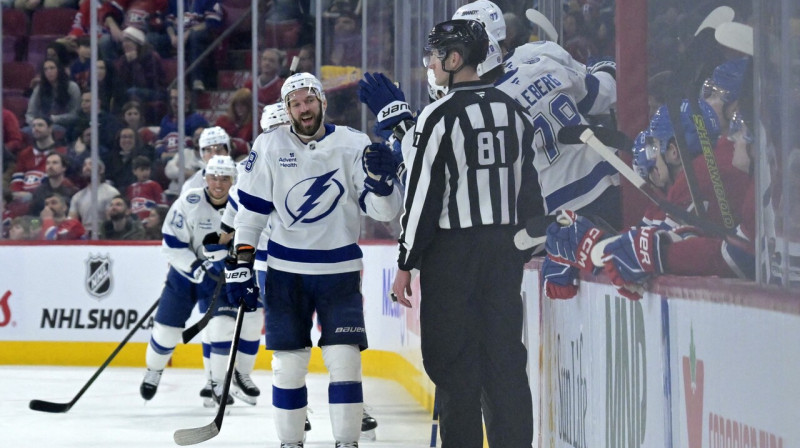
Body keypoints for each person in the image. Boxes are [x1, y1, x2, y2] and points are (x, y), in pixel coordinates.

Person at [226, 72, 402, 448]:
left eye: (308, 100)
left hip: (339, 273)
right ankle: (291, 444)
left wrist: (384, 185)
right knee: (287, 368)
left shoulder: (353, 143)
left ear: (322, 101)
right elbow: (250, 215)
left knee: (345, 363)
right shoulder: (269, 145)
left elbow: (385, 213)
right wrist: (242, 264)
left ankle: (347, 443)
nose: (303, 108)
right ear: (286, 110)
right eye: (294, 103)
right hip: (286, 274)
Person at [388, 19, 540, 448]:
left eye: (435, 57)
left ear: (455, 59)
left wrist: (405, 262)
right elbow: (529, 185)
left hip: (453, 259)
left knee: (455, 369)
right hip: (504, 253)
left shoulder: (438, 116)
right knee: (505, 365)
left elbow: (422, 199)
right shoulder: (512, 110)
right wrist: (528, 242)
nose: (430, 65)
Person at [139, 155, 237, 405]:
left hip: (220, 279)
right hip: (184, 277)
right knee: (166, 333)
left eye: (225, 178)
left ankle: (218, 383)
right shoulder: (189, 201)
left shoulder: (241, 208)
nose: (218, 183)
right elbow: (171, 243)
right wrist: (195, 267)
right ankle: (154, 369)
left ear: (232, 180)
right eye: (214, 177)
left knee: (222, 326)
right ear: (205, 177)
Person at [10, 116, 67, 212]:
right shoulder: (25, 153)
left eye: (40, 125)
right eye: (33, 126)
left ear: (50, 129)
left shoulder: (60, 152)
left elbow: (52, 178)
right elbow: (18, 177)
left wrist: (33, 195)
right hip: (21, 197)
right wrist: (16, 192)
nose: (35, 128)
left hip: (43, 198)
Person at [68, 159, 121, 237]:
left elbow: (111, 221)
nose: (87, 167)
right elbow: (71, 222)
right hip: (84, 238)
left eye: (91, 164)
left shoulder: (111, 192)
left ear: (101, 170)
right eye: (85, 165)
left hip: (104, 236)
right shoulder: (77, 197)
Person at [24, 59, 81, 132]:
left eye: (52, 68)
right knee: (23, 132)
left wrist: (54, 119)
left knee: (52, 130)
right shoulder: (39, 88)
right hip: (39, 124)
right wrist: (35, 123)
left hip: (62, 125)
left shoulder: (72, 87)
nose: (49, 71)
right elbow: (30, 113)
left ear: (59, 69)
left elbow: (75, 114)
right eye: (45, 69)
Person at [28, 152, 78, 217]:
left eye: (55, 163)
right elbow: (33, 215)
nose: (50, 166)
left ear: (64, 168)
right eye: (48, 163)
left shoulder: (72, 191)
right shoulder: (39, 191)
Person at [214, 88, 254, 152]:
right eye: (237, 104)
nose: (239, 108)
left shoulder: (254, 125)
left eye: (243, 105)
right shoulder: (222, 121)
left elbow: (254, 148)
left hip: (243, 157)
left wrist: (236, 145)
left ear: (249, 106)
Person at [126, 155, 164, 220]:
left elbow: (161, 204)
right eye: (142, 170)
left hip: (150, 219)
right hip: (135, 221)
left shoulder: (154, 185)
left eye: (147, 169)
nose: (145, 172)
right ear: (134, 171)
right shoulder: (131, 188)